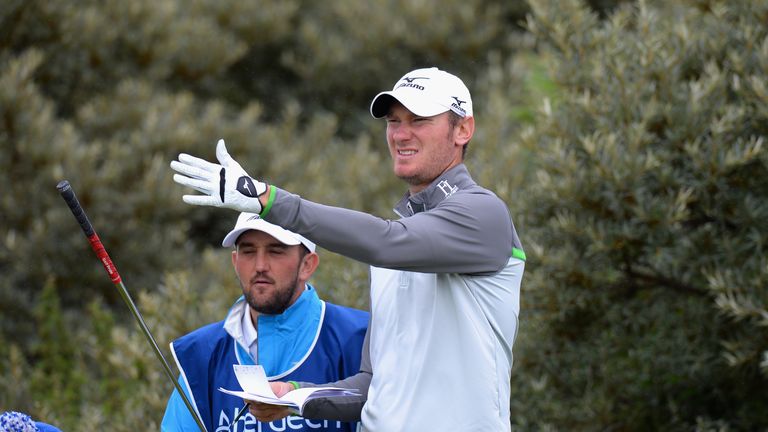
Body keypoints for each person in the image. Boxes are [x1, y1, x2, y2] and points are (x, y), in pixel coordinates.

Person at [171, 66, 525, 431]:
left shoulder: (483, 214)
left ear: (463, 129)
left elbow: (387, 241)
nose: (400, 134)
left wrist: (268, 199)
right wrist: (296, 396)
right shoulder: (394, 250)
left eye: (419, 120)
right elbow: (373, 387)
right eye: (394, 121)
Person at [160, 213, 369, 431]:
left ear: (307, 265)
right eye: (248, 251)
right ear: (235, 262)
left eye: (275, 251)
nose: (260, 265)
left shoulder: (360, 338)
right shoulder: (202, 354)